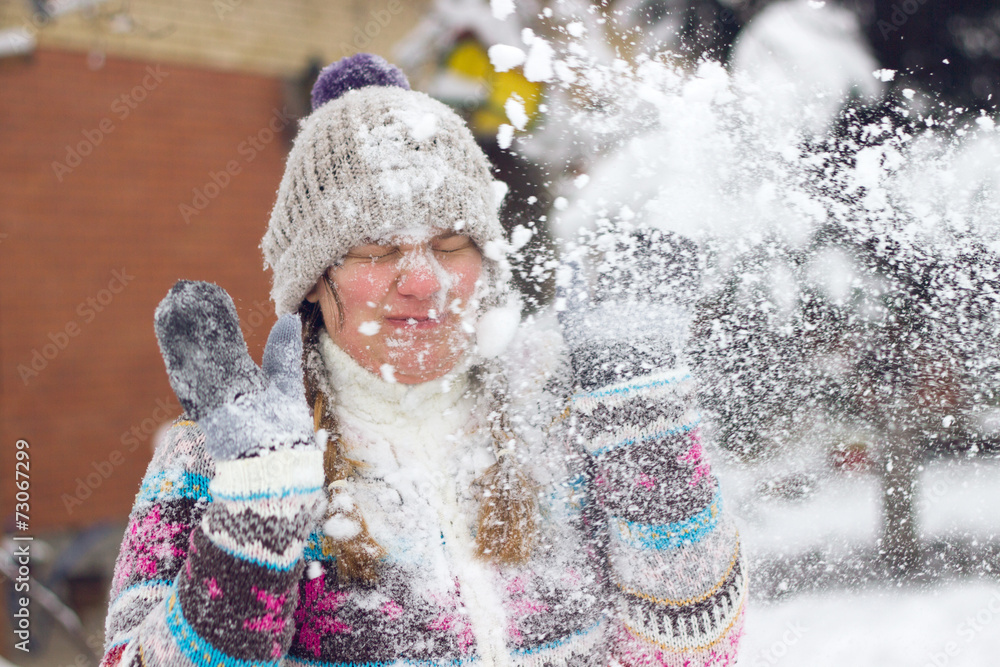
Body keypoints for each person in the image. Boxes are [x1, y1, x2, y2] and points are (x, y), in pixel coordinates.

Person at [101, 53, 746, 667]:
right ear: (312, 281)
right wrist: (252, 526)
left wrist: (651, 434)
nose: (424, 281)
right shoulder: (219, 459)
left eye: (451, 242)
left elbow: (693, 653)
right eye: (378, 249)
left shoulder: (563, 423)